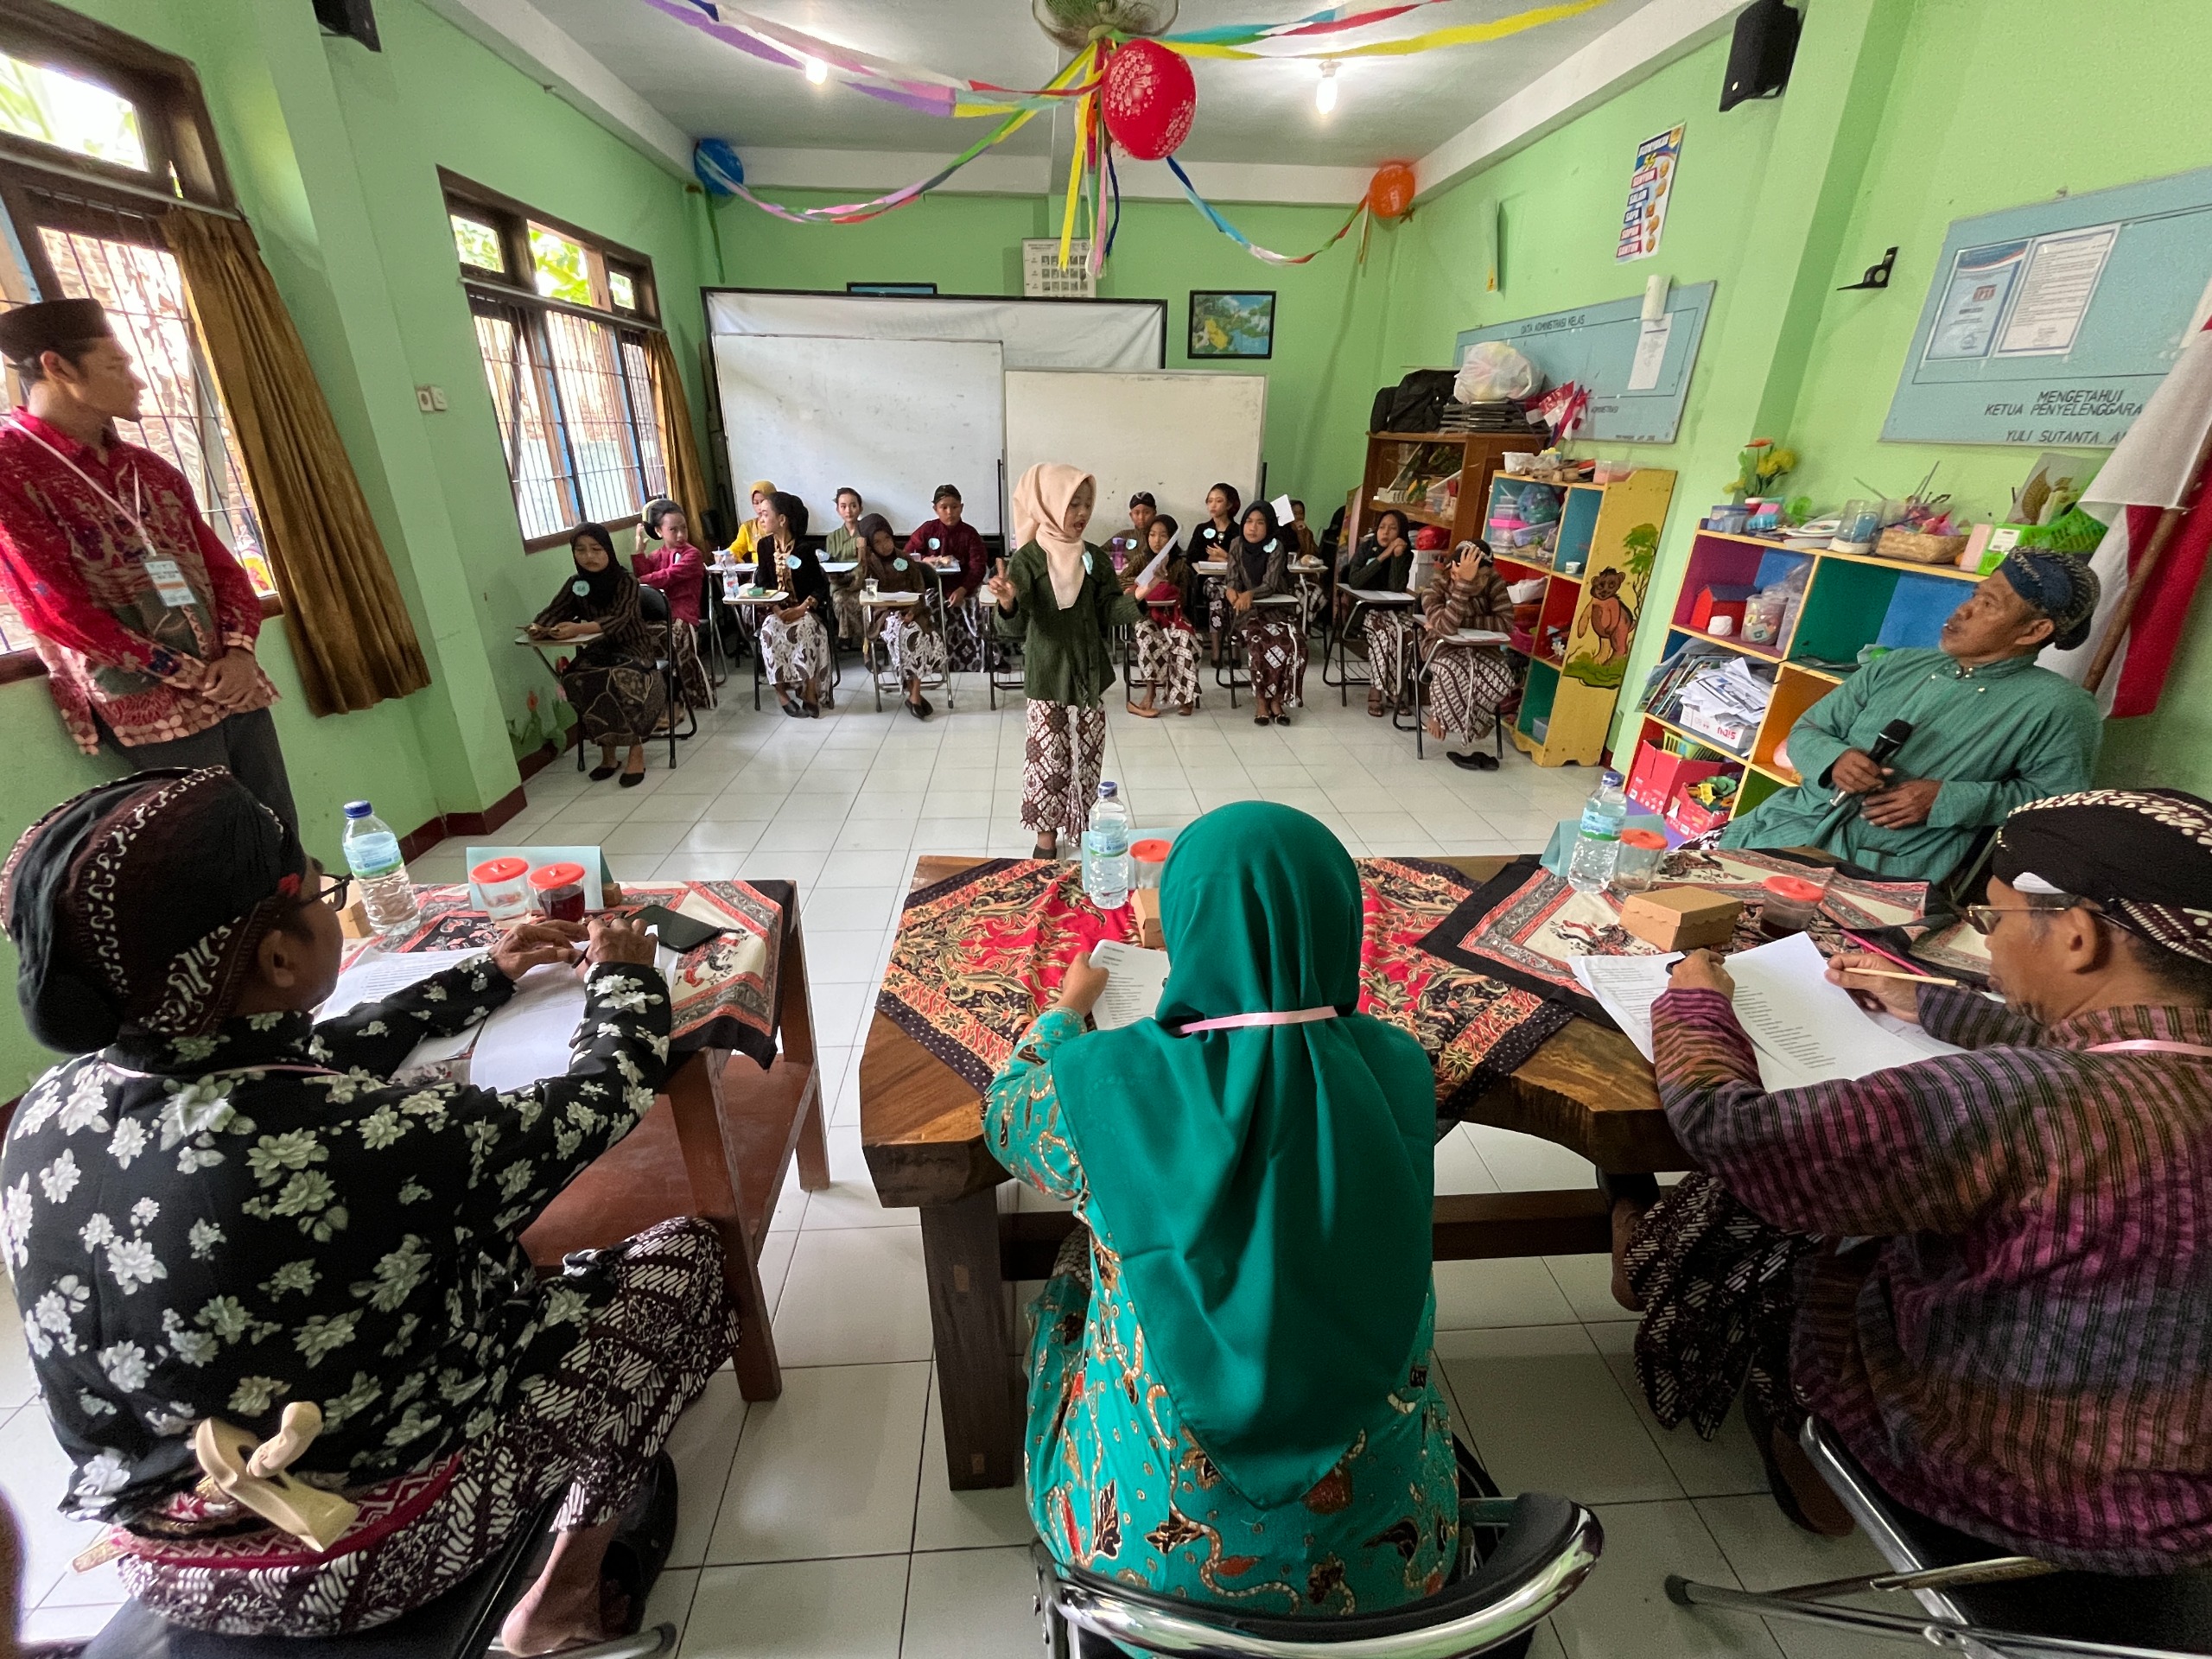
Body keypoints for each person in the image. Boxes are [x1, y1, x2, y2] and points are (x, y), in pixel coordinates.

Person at [0, 767, 734, 1649]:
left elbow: (300, 1056)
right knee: (684, 1265)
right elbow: (600, 1100)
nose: (326, 904)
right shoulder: (365, 1138)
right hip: (347, 1556)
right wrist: (623, 978)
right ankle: (561, 1602)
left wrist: (481, 978)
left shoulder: (51, 1109)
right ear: (278, 956)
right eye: (323, 893)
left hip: (160, 1551)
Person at [1615, 787, 2212, 1574]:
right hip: (2189, 1489)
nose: (1989, 946)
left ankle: (1802, 1439)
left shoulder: (2029, 1102)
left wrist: (1693, 1000)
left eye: (1994, 921)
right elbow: (2107, 1044)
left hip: (2024, 1482)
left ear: (2075, 936)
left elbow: (1735, 1132)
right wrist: (1927, 1002)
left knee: (1789, 1221)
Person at [985, 804, 1459, 1613]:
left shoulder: (1109, 1083)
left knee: (1076, 1272)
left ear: (1188, 927)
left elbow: (1007, 1116)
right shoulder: (1400, 1072)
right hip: (1397, 1588)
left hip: (1150, 1586)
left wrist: (1065, 1012)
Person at [0, 297, 297, 839]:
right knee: (216, 847)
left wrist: (235, 655)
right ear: (58, 367)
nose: (136, 381)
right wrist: (189, 674)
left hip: (231, 680)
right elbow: (55, 609)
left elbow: (225, 572)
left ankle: (303, 918)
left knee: (278, 828)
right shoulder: (12, 469)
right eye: (117, 365)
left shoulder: (149, 470)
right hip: (149, 699)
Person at [1719, 551, 2103, 881]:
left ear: (2034, 630)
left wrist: (1949, 799)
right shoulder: (1898, 665)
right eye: (1975, 594)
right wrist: (1834, 759)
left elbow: (2055, 803)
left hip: (1886, 867)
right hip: (1783, 828)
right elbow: (1809, 729)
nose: (1963, 610)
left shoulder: (2059, 706)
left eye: (1989, 605)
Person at [987, 463, 1138, 859]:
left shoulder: (1095, 559)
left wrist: (1136, 600)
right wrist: (1007, 601)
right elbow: (1014, 626)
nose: (1083, 514)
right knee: (1048, 758)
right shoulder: (1030, 559)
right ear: (1050, 505)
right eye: (1073, 504)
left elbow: (1107, 610)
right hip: (1048, 673)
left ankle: (1082, 826)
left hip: (1088, 671)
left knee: (1087, 755)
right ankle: (1045, 839)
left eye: (1088, 504)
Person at [527, 523, 666, 785]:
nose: (589, 556)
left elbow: (621, 618)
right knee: (575, 678)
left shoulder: (625, 581)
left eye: (595, 549)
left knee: (618, 679)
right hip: (601, 650)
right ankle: (608, 754)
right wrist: (540, 627)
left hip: (634, 647)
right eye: (580, 550)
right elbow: (554, 611)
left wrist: (579, 628)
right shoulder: (577, 584)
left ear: (608, 551)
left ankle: (636, 751)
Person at [1368, 541, 1517, 767]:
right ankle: (1439, 715)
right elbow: (1446, 629)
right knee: (1451, 672)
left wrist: (1461, 621)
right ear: (1452, 569)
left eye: (1478, 579)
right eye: (1459, 576)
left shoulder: (1494, 584)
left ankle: (1473, 721)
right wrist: (1464, 586)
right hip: (1441, 647)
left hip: (1483, 648)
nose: (1468, 582)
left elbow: (1505, 622)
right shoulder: (1435, 587)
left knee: (1501, 677)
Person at [1225, 501, 1306, 726]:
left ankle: (1277, 699)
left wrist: (1250, 593)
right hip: (1248, 613)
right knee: (1260, 642)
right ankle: (1261, 700)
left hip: (1278, 609)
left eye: (1260, 523)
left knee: (1293, 644)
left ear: (1269, 525)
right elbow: (1231, 578)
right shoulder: (1236, 544)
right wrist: (1231, 590)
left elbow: (1270, 584)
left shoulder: (1275, 546)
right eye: (1249, 522)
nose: (1253, 528)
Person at [857, 512, 943, 720]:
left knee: (919, 634)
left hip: (913, 613)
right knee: (907, 633)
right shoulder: (868, 563)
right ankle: (914, 695)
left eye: (887, 538)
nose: (885, 545)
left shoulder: (904, 559)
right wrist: (862, 554)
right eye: (877, 542)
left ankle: (914, 694)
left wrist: (913, 611)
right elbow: (863, 593)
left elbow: (920, 592)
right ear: (869, 544)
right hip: (884, 615)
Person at [632, 499, 715, 713]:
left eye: (684, 528)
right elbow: (643, 578)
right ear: (659, 531)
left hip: (683, 613)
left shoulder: (692, 555)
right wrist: (639, 551)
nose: (680, 535)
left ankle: (683, 697)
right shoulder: (655, 556)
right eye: (673, 530)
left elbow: (665, 577)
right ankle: (658, 698)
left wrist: (640, 580)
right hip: (659, 615)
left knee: (677, 636)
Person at [758, 491, 832, 717]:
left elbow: (821, 586)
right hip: (777, 609)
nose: (761, 519)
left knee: (805, 629)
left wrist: (801, 609)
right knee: (769, 631)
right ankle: (782, 694)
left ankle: (810, 691)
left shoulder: (805, 549)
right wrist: (778, 610)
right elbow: (763, 583)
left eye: (765, 514)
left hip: (804, 609)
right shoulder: (764, 547)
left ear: (782, 519)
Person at [906, 484, 989, 671]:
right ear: (935, 509)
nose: (950, 512)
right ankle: (933, 660)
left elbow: (978, 567)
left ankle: (979, 659)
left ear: (962, 507)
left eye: (954, 507)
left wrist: (963, 590)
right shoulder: (927, 530)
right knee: (927, 605)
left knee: (979, 605)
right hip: (934, 586)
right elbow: (907, 558)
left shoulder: (970, 534)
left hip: (965, 586)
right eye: (944, 507)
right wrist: (927, 560)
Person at [1122, 512, 1197, 719]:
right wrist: (1133, 588)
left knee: (1182, 638)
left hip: (1173, 616)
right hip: (1146, 615)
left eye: (1163, 535)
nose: (1157, 540)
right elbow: (1122, 580)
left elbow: (1184, 596)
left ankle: (1185, 697)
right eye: (1152, 535)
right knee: (1145, 635)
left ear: (1172, 538)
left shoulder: (1179, 564)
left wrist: (1166, 582)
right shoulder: (1141, 559)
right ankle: (1150, 691)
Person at [1192, 481, 1241, 658]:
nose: (1213, 505)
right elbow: (1192, 556)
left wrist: (1227, 556)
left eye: (1218, 501)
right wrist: (1214, 557)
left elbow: (1244, 559)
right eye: (1210, 501)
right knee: (1218, 594)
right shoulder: (1202, 529)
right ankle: (1216, 650)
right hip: (1208, 579)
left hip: (1233, 578)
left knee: (1234, 594)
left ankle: (1235, 651)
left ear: (1229, 504)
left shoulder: (1238, 531)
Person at [823, 486, 866, 649]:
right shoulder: (832, 537)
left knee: (867, 600)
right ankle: (847, 637)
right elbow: (831, 561)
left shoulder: (867, 531)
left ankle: (866, 638)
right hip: (841, 583)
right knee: (840, 599)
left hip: (862, 580)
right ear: (838, 510)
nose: (849, 510)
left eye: (853, 505)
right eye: (843, 506)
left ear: (860, 508)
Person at [727, 479, 775, 564]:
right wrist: (727, 555)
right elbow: (736, 548)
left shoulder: (781, 524)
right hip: (756, 573)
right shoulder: (748, 527)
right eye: (756, 503)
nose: (760, 508)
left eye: (763, 501)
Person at [1107, 490, 1155, 569]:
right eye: (1137, 513)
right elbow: (1099, 552)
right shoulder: (1123, 536)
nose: (1141, 518)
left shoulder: (1158, 537)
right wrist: (1118, 557)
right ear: (1131, 515)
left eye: (1146, 513)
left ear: (1154, 514)